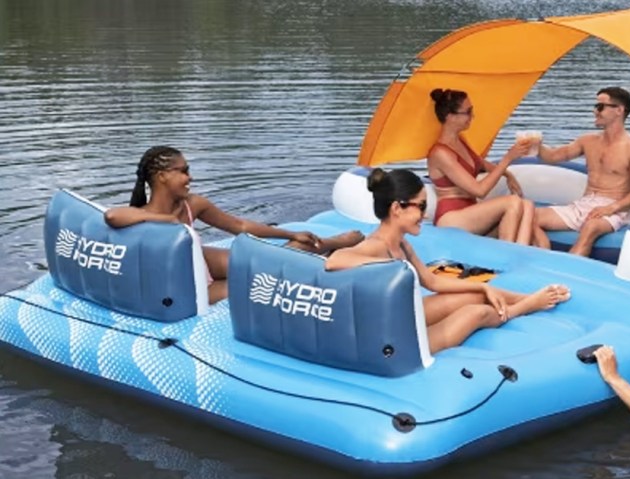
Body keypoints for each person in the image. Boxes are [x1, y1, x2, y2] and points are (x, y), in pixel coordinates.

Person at [325, 168, 570, 353]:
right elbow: (334, 260)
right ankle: (525, 307)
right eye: (420, 207)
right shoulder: (376, 245)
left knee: (474, 295)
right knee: (477, 313)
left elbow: (432, 282)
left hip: (402, 317)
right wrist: (389, 268)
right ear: (397, 209)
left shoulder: (401, 243)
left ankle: (527, 298)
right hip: (394, 341)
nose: (425, 214)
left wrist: (483, 286)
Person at [104, 146, 364, 304]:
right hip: (187, 283)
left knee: (277, 257)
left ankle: (332, 243)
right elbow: (112, 216)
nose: (189, 177)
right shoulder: (141, 214)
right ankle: (332, 246)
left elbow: (239, 224)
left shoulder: (192, 204)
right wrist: (166, 220)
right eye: (182, 171)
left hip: (201, 261)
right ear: (162, 177)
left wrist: (288, 231)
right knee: (263, 281)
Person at [533, 86, 630, 256]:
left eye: (600, 106)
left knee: (591, 227)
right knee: (530, 216)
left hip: (613, 209)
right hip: (584, 204)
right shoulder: (588, 141)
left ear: (619, 110)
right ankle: (544, 256)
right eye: (595, 106)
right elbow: (552, 157)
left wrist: (611, 208)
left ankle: (568, 274)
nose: (595, 111)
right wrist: (536, 145)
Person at [427, 88, 542, 246]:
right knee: (512, 202)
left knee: (527, 205)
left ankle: (523, 254)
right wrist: (508, 159)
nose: (472, 116)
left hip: (470, 213)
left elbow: (481, 164)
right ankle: (507, 257)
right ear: (450, 117)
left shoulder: (460, 140)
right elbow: (479, 191)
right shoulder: (440, 153)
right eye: (467, 112)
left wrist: (508, 175)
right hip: (451, 219)